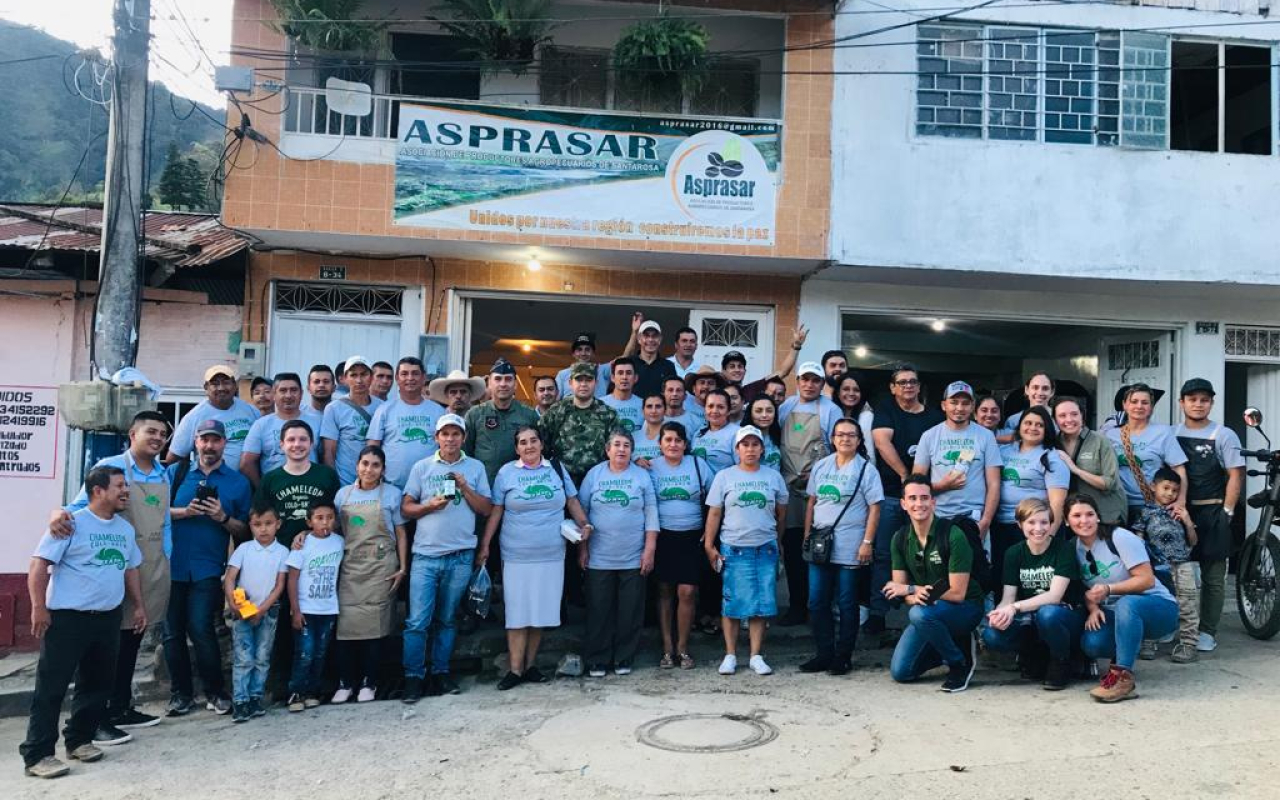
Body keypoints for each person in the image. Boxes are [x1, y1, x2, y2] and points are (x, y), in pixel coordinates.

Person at [50, 410, 172, 735]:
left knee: (131, 642)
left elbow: (165, 522)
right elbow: (79, 507)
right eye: (151, 431)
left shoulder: (163, 474)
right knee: (107, 650)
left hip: (149, 566)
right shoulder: (111, 467)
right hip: (110, 568)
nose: (158, 438)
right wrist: (57, 513)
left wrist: (164, 558)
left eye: (163, 433)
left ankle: (120, 707)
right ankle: (96, 718)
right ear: (133, 434)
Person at [20, 468, 146, 779]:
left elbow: (130, 569)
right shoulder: (69, 524)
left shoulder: (125, 529)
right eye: (119, 486)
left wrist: (139, 606)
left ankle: (79, 739)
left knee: (97, 683)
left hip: (107, 617)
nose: (125, 491)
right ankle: (38, 754)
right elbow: (39, 564)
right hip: (67, 618)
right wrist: (39, 608)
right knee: (52, 687)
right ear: (98, 491)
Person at [478, 426, 591, 690]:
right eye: (522, 442)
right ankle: (515, 670)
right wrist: (485, 545)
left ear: (541, 444)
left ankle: (530, 666)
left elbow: (572, 502)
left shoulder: (556, 469)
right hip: (517, 553)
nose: (529, 446)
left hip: (551, 553)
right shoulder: (507, 472)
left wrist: (585, 524)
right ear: (516, 448)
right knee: (517, 612)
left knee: (541, 611)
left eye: (533, 441)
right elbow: (496, 511)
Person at [400, 414, 493, 702]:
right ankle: (413, 677)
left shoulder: (475, 467)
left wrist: (465, 488)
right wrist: (429, 506)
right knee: (417, 621)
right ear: (436, 437)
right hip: (426, 557)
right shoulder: (422, 467)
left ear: (463, 438)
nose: (450, 439)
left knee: (448, 620)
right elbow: (406, 508)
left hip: (460, 556)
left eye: (456, 434)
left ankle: (440, 672)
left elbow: (486, 509)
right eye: (445, 434)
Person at [164, 420, 251, 718]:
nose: (209, 446)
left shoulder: (237, 482)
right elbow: (154, 514)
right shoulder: (175, 474)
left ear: (224, 443)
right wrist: (184, 512)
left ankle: (215, 692)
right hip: (171, 566)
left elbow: (245, 532)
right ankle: (181, 694)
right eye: (204, 440)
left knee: (202, 629)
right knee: (172, 632)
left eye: (215, 440)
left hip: (208, 568)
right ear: (196, 443)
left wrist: (222, 517)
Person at [1068, 494, 1178, 702]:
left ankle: (1123, 679)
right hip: (1115, 612)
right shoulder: (1074, 547)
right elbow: (1086, 588)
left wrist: (1110, 589)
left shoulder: (1119, 537)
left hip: (1157, 607)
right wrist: (1093, 607)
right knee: (1093, 642)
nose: (1084, 521)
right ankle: (1120, 659)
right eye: (1077, 516)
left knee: (1127, 603)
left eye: (1090, 514)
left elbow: (1146, 580)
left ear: (1098, 517)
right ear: (1067, 521)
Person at [881, 475, 984, 692]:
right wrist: (912, 595)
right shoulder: (899, 538)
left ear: (933, 502)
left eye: (925, 498)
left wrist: (914, 590)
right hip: (930, 609)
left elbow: (957, 593)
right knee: (902, 672)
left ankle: (959, 662)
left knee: (919, 614)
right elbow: (902, 592)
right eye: (913, 498)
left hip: (966, 607)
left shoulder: (953, 535)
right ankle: (946, 648)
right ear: (903, 503)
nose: (919, 504)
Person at [866, 363, 944, 639]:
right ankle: (878, 613)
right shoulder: (886, 410)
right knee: (885, 555)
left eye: (912, 382)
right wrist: (905, 476)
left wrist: (920, 487)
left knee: (932, 555)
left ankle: (929, 609)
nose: (908, 386)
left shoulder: (934, 417)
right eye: (902, 382)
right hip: (890, 494)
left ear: (919, 386)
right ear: (892, 387)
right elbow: (882, 442)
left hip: (926, 499)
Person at [704, 426, 789, 676]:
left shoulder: (773, 477)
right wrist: (710, 545)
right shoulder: (725, 477)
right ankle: (730, 654)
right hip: (734, 548)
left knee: (761, 604)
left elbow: (781, 514)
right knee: (732, 603)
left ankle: (756, 655)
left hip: (765, 549)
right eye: (745, 444)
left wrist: (778, 541)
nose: (750, 449)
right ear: (737, 449)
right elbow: (715, 512)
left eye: (755, 444)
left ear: (762, 449)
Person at [801, 418, 883, 675]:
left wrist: (867, 542)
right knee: (817, 601)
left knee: (847, 603)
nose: (845, 439)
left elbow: (875, 508)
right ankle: (823, 653)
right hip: (820, 545)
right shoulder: (821, 466)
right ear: (832, 439)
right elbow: (812, 502)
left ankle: (843, 656)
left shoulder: (866, 470)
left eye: (851, 435)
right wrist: (807, 534)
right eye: (840, 435)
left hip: (851, 545)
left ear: (859, 440)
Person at [578, 430, 660, 677]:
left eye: (626, 445)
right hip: (599, 557)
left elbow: (651, 513)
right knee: (598, 610)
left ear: (632, 450)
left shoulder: (641, 476)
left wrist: (649, 551)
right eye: (616, 445)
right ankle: (597, 659)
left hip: (633, 556)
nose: (621, 450)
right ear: (607, 450)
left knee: (630, 611)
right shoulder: (594, 475)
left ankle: (624, 657)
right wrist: (582, 549)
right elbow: (582, 513)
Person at [330, 446, 408, 704]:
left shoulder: (392, 495)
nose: (369, 469)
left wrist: (402, 567)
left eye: (375, 465)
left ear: (383, 470)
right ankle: (345, 682)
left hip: (381, 568)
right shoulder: (342, 495)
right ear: (357, 466)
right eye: (365, 463)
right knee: (346, 628)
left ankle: (369, 682)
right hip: (350, 569)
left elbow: (400, 534)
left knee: (376, 628)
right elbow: (336, 532)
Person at [982, 498, 1085, 690]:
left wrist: (1014, 607)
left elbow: (1055, 596)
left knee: (1048, 613)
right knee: (992, 634)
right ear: (1019, 525)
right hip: (1030, 616)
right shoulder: (1013, 553)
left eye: (1044, 522)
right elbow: (1008, 597)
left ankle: (1061, 660)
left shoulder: (1064, 549)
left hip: (1064, 615)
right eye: (1031, 522)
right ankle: (1032, 654)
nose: (1038, 528)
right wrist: (1000, 613)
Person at [1173, 378, 1244, 654]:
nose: (1198, 404)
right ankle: (1176, 625)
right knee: (1177, 574)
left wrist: (1227, 510)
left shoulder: (1224, 435)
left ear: (1211, 403)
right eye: (1192, 399)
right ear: (1182, 403)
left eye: (1204, 399)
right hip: (1180, 511)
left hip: (1213, 510)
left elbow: (1235, 474)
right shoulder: (1172, 433)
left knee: (1213, 577)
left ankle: (1207, 630)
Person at [777, 363, 843, 626]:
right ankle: (796, 605)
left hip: (819, 487)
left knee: (819, 548)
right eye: (805, 379)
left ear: (822, 384)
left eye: (816, 380)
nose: (809, 385)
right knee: (793, 549)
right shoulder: (786, 407)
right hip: (788, 488)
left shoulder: (830, 410)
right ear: (798, 381)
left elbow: (838, 448)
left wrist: (816, 472)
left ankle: (820, 606)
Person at [650, 422, 714, 670]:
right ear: (660, 444)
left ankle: (683, 647)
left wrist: (708, 535)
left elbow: (714, 500)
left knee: (686, 592)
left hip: (691, 536)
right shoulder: (651, 467)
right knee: (664, 592)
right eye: (668, 440)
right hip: (663, 535)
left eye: (678, 440)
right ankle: (667, 648)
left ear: (686, 444)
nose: (673, 444)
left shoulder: (698, 465)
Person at [223, 505, 289, 723]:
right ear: (250, 526)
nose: (263, 530)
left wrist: (263, 609)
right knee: (243, 657)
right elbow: (231, 577)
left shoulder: (282, 552)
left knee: (262, 657)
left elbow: (279, 586)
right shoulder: (244, 549)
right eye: (257, 525)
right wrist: (232, 601)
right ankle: (240, 701)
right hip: (243, 612)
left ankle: (255, 697)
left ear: (278, 525)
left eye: (268, 524)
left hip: (268, 612)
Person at [991, 406, 1069, 589]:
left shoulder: (1051, 457)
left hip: (1033, 527)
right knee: (1002, 576)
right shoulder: (1004, 451)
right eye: (1028, 423)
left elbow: (1057, 503)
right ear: (1019, 427)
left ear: (1047, 429)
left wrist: (1048, 536)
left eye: (1039, 425)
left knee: (1027, 580)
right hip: (1001, 524)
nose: (1032, 428)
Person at [913, 381, 1002, 533]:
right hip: (938, 518)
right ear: (943, 405)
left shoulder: (986, 436)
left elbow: (994, 483)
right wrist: (942, 486)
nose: (959, 408)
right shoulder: (929, 436)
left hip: (974, 519)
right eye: (954, 402)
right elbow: (916, 484)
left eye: (965, 403)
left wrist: (986, 521)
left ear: (972, 406)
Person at [1131, 468, 1200, 663]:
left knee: (1187, 603)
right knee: (1155, 601)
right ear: (1154, 487)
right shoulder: (1145, 512)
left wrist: (1187, 521)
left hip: (1182, 564)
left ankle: (1188, 644)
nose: (1170, 494)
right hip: (1156, 565)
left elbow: (1193, 541)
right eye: (1166, 488)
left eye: (1175, 490)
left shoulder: (1179, 513)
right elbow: (1138, 540)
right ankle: (1149, 640)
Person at [285, 499, 344, 712]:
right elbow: (292, 578)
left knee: (320, 652)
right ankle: (296, 692)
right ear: (309, 522)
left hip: (328, 608)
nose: (325, 522)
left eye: (329, 518)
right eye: (319, 518)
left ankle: (312, 691)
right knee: (305, 653)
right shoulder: (302, 544)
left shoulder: (339, 542)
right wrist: (295, 610)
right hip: (306, 609)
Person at [1105, 383, 1188, 523]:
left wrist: (1181, 500)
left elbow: (1179, 468)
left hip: (1152, 505)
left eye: (1145, 402)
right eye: (1134, 401)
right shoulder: (1110, 434)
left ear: (1151, 407)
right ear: (1125, 405)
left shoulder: (1163, 432)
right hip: (1117, 505)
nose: (1139, 406)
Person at [254, 420, 342, 548]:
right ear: (282, 445)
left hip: (320, 551)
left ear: (311, 444)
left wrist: (310, 533)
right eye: (291, 439)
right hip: (281, 550)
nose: (297, 444)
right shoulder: (270, 479)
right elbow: (259, 518)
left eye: (303, 439)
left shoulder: (327, 475)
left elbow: (338, 517)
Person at [367, 357, 446, 489]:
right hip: (391, 487)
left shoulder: (438, 411)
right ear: (397, 378)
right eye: (404, 374)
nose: (410, 378)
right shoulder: (384, 410)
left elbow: (445, 448)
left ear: (423, 378)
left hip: (429, 486)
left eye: (415, 373)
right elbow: (373, 448)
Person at [539, 362, 620, 485]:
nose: (583, 384)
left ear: (596, 383)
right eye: (579, 379)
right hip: (562, 481)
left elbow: (616, 449)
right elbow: (541, 446)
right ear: (570, 383)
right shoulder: (556, 412)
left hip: (598, 480)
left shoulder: (608, 414)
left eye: (588, 380)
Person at [166, 365, 260, 469]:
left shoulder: (251, 411)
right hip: (210, 482)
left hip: (247, 482)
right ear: (206, 387)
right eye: (215, 384)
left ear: (235, 385)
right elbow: (173, 458)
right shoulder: (193, 417)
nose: (221, 388)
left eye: (226, 382)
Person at [464, 359, 539, 486]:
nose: (503, 384)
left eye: (508, 379)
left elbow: (538, 452)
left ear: (515, 384)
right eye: (498, 379)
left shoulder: (529, 415)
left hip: (519, 485)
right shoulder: (475, 414)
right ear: (489, 384)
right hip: (483, 485)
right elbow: (466, 452)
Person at [241, 372, 323, 488]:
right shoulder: (261, 425)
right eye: (283, 390)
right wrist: (262, 490)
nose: (288, 395)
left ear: (301, 393)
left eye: (293, 390)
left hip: (311, 490)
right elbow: (246, 463)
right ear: (274, 394)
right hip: (275, 492)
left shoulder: (317, 421)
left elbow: (325, 456)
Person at [1053, 396, 1126, 525]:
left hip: (1106, 515)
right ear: (1055, 420)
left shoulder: (1100, 441)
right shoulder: (1053, 443)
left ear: (1082, 415)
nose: (1069, 420)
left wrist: (1076, 470)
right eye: (1062, 415)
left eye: (1074, 414)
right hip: (1072, 518)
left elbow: (1110, 483)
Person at [320, 355, 384, 485]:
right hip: (344, 481)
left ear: (371, 377)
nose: (359, 380)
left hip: (375, 481)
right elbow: (329, 451)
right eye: (353, 375)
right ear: (344, 379)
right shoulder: (334, 408)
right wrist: (332, 482)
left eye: (364, 374)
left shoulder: (382, 407)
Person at [719, 324, 807, 403]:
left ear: (745, 371)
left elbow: (783, 372)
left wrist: (796, 346)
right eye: (732, 366)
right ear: (723, 371)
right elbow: (705, 371)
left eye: (740, 366)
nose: (737, 369)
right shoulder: (714, 388)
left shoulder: (751, 389)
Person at [620, 315, 678, 399]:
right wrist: (634, 331)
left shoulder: (668, 366)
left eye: (654, 336)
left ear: (660, 339)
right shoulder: (630, 363)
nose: (650, 340)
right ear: (639, 339)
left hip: (658, 410)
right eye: (646, 336)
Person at [690, 389, 739, 474]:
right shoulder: (698, 433)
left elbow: (743, 468)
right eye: (710, 406)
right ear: (704, 409)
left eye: (720, 407)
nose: (714, 411)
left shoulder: (737, 433)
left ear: (729, 411)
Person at [998, 373, 1056, 444]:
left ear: (1052, 392)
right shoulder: (1013, 420)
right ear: (1027, 390)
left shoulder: (1059, 418)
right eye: (1035, 387)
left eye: (1045, 388)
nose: (1040, 392)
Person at [831, 372, 875, 465]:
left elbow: (869, 452)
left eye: (856, 390)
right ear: (838, 393)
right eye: (846, 389)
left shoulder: (867, 417)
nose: (851, 393)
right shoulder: (830, 413)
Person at [555, 332, 612, 399]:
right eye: (579, 349)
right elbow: (555, 399)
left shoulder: (602, 370)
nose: (583, 353)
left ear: (593, 353)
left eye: (587, 349)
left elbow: (622, 361)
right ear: (573, 354)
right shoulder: (562, 374)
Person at [602, 357, 644, 433]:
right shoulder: (600, 404)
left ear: (635, 378)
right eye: (620, 373)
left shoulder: (644, 405)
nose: (624, 377)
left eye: (628, 373)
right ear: (612, 377)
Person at [745, 396, 782, 470]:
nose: (764, 415)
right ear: (750, 413)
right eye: (758, 411)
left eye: (769, 411)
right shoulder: (742, 437)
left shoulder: (779, 434)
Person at [682, 365, 723, 433]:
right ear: (694, 388)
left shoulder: (723, 411)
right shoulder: (684, 409)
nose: (706, 386)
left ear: (717, 388)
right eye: (702, 382)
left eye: (710, 383)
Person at [633, 394, 667, 465]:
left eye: (658, 406)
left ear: (665, 410)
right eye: (649, 406)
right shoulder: (632, 437)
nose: (653, 411)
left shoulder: (673, 436)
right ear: (643, 411)